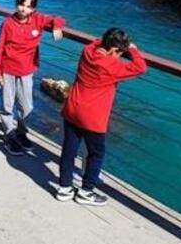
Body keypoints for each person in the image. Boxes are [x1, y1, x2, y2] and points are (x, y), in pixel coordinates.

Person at [57, 28, 146, 206]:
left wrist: (112, 43)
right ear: (114, 51)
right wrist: (133, 50)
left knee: (69, 149)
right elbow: (140, 67)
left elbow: (95, 42)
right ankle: (86, 191)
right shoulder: (111, 66)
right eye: (120, 53)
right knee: (96, 154)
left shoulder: (88, 52)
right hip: (92, 117)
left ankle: (64, 188)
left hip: (73, 108)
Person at [0, 0, 65, 156]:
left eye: (28, 7)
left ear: (33, 9)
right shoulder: (8, 23)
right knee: (7, 104)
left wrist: (57, 27)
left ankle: (21, 131)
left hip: (27, 71)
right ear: (16, 4)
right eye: (21, 5)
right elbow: (0, 48)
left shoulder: (38, 19)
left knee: (27, 106)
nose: (23, 9)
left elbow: (58, 18)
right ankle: (9, 135)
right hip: (8, 69)